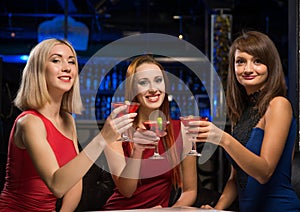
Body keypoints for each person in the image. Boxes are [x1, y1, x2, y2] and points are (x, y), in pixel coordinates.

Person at [0, 38, 136, 211]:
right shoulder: (29, 122)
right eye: (56, 60)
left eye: (71, 61)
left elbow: (74, 182)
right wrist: (102, 139)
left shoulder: (68, 120)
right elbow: (57, 185)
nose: (67, 67)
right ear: (38, 70)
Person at [186, 31, 300, 211]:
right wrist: (217, 209)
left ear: (270, 66)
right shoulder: (241, 113)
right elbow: (236, 178)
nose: (247, 69)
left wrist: (223, 139)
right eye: (240, 62)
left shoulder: (279, 105)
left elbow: (264, 172)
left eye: (257, 61)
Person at [102, 55, 198, 209]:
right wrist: (138, 151)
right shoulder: (117, 130)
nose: (153, 88)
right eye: (143, 82)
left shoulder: (181, 130)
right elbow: (126, 191)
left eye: (158, 80)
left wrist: (169, 211)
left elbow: (190, 191)